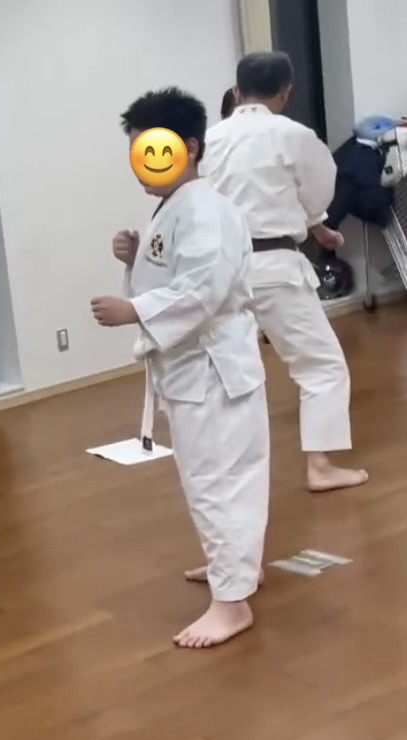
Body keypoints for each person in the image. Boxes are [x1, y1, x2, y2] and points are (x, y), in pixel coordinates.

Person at [91, 87, 269, 649]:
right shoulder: (178, 207)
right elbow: (180, 273)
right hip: (203, 366)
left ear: (188, 148)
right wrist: (137, 256)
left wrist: (134, 310)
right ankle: (235, 570)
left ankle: (231, 602)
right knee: (225, 478)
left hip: (211, 367)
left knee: (216, 482)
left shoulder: (203, 209)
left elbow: (204, 288)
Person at [202, 51, 368, 493]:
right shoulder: (293, 135)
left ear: (237, 92)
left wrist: (317, 227)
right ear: (286, 92)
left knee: (231, 374)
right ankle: (320, 466)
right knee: (322, 367)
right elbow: (318, 190)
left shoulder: (210, 140)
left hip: (222, 270)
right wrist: (315, 220)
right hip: (274, 266)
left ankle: (227, 473)